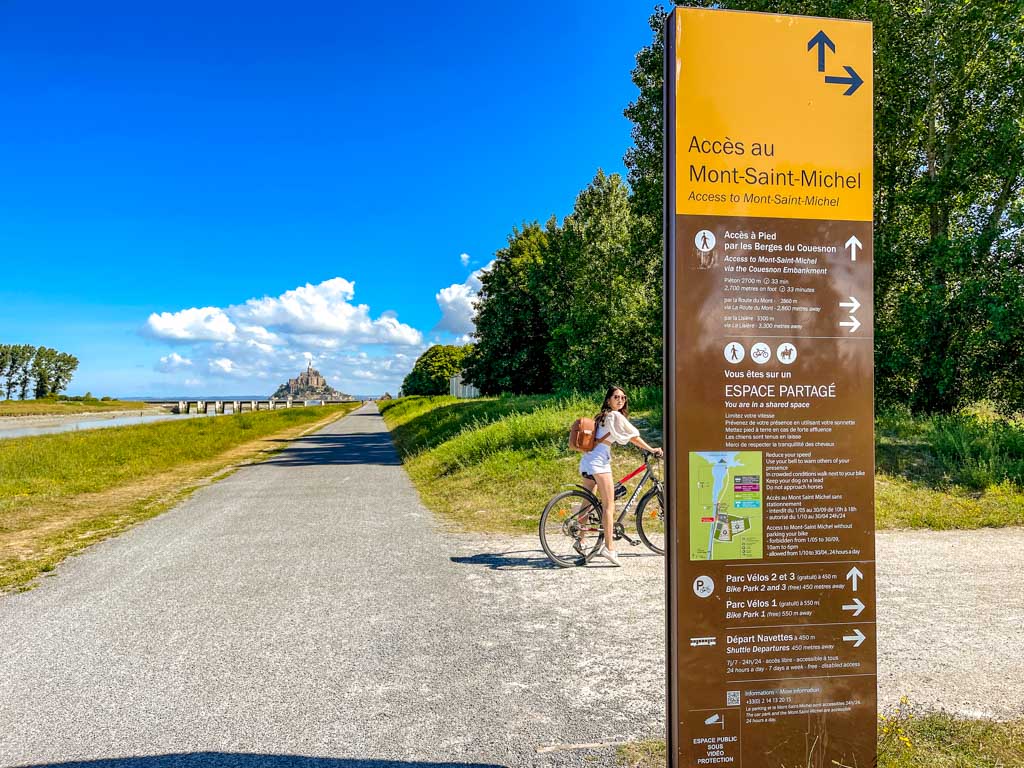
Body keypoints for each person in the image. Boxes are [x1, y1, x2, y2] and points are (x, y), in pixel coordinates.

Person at [578, 386, 663, 567]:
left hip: (587, 461)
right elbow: (633, 436)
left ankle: (581, 540)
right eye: (616, 397)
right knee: (609, 506)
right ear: (608, 400)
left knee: (587, 503)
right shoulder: (615, 416)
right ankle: (609, 548)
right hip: (599, 464)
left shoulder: (601, 417)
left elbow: (620, 436)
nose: (620, 400)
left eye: (623, 398)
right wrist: (651, 449)